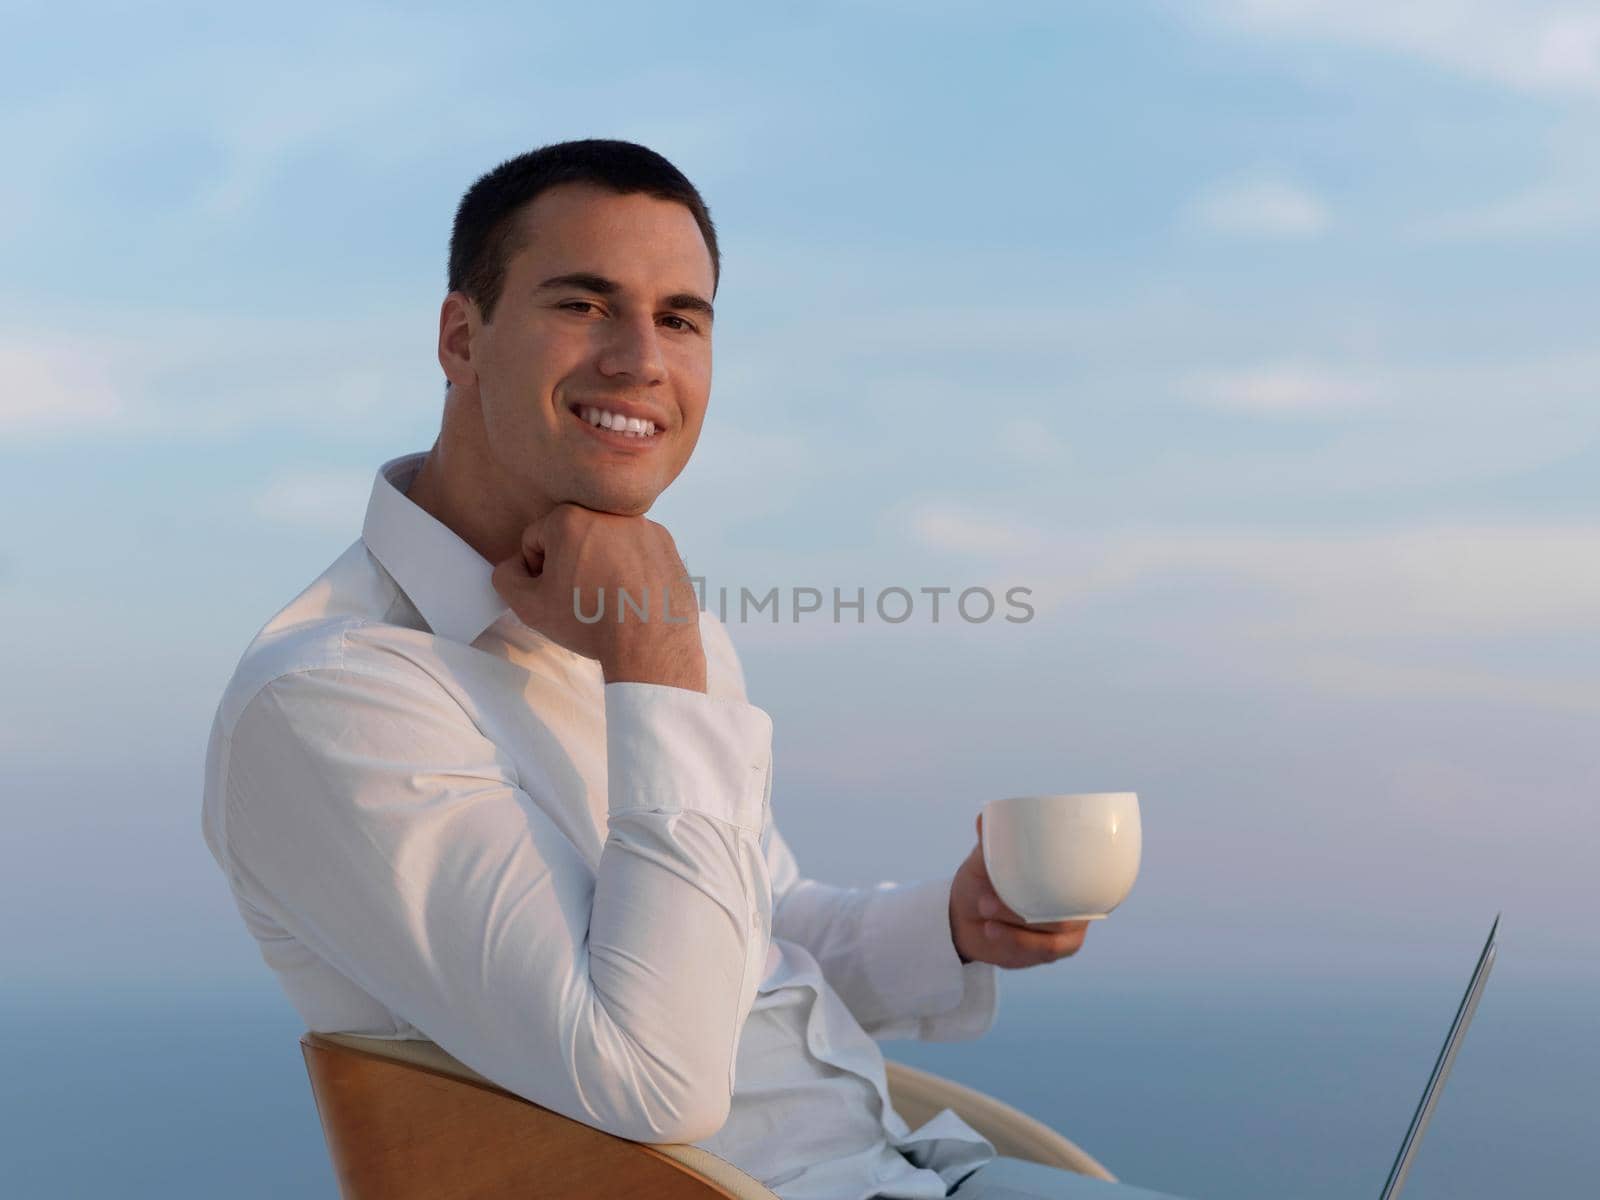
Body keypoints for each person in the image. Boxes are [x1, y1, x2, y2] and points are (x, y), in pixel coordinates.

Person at [200, 138, 1187, 1200]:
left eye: (681, 317)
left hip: (907, 1167)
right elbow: (653, 1078)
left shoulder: (640, 622)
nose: (641, 360)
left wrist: (951, 922)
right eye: (583, 304)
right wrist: (659, 654)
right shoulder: (333, 697)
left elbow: (747, 939)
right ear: (460, 337)